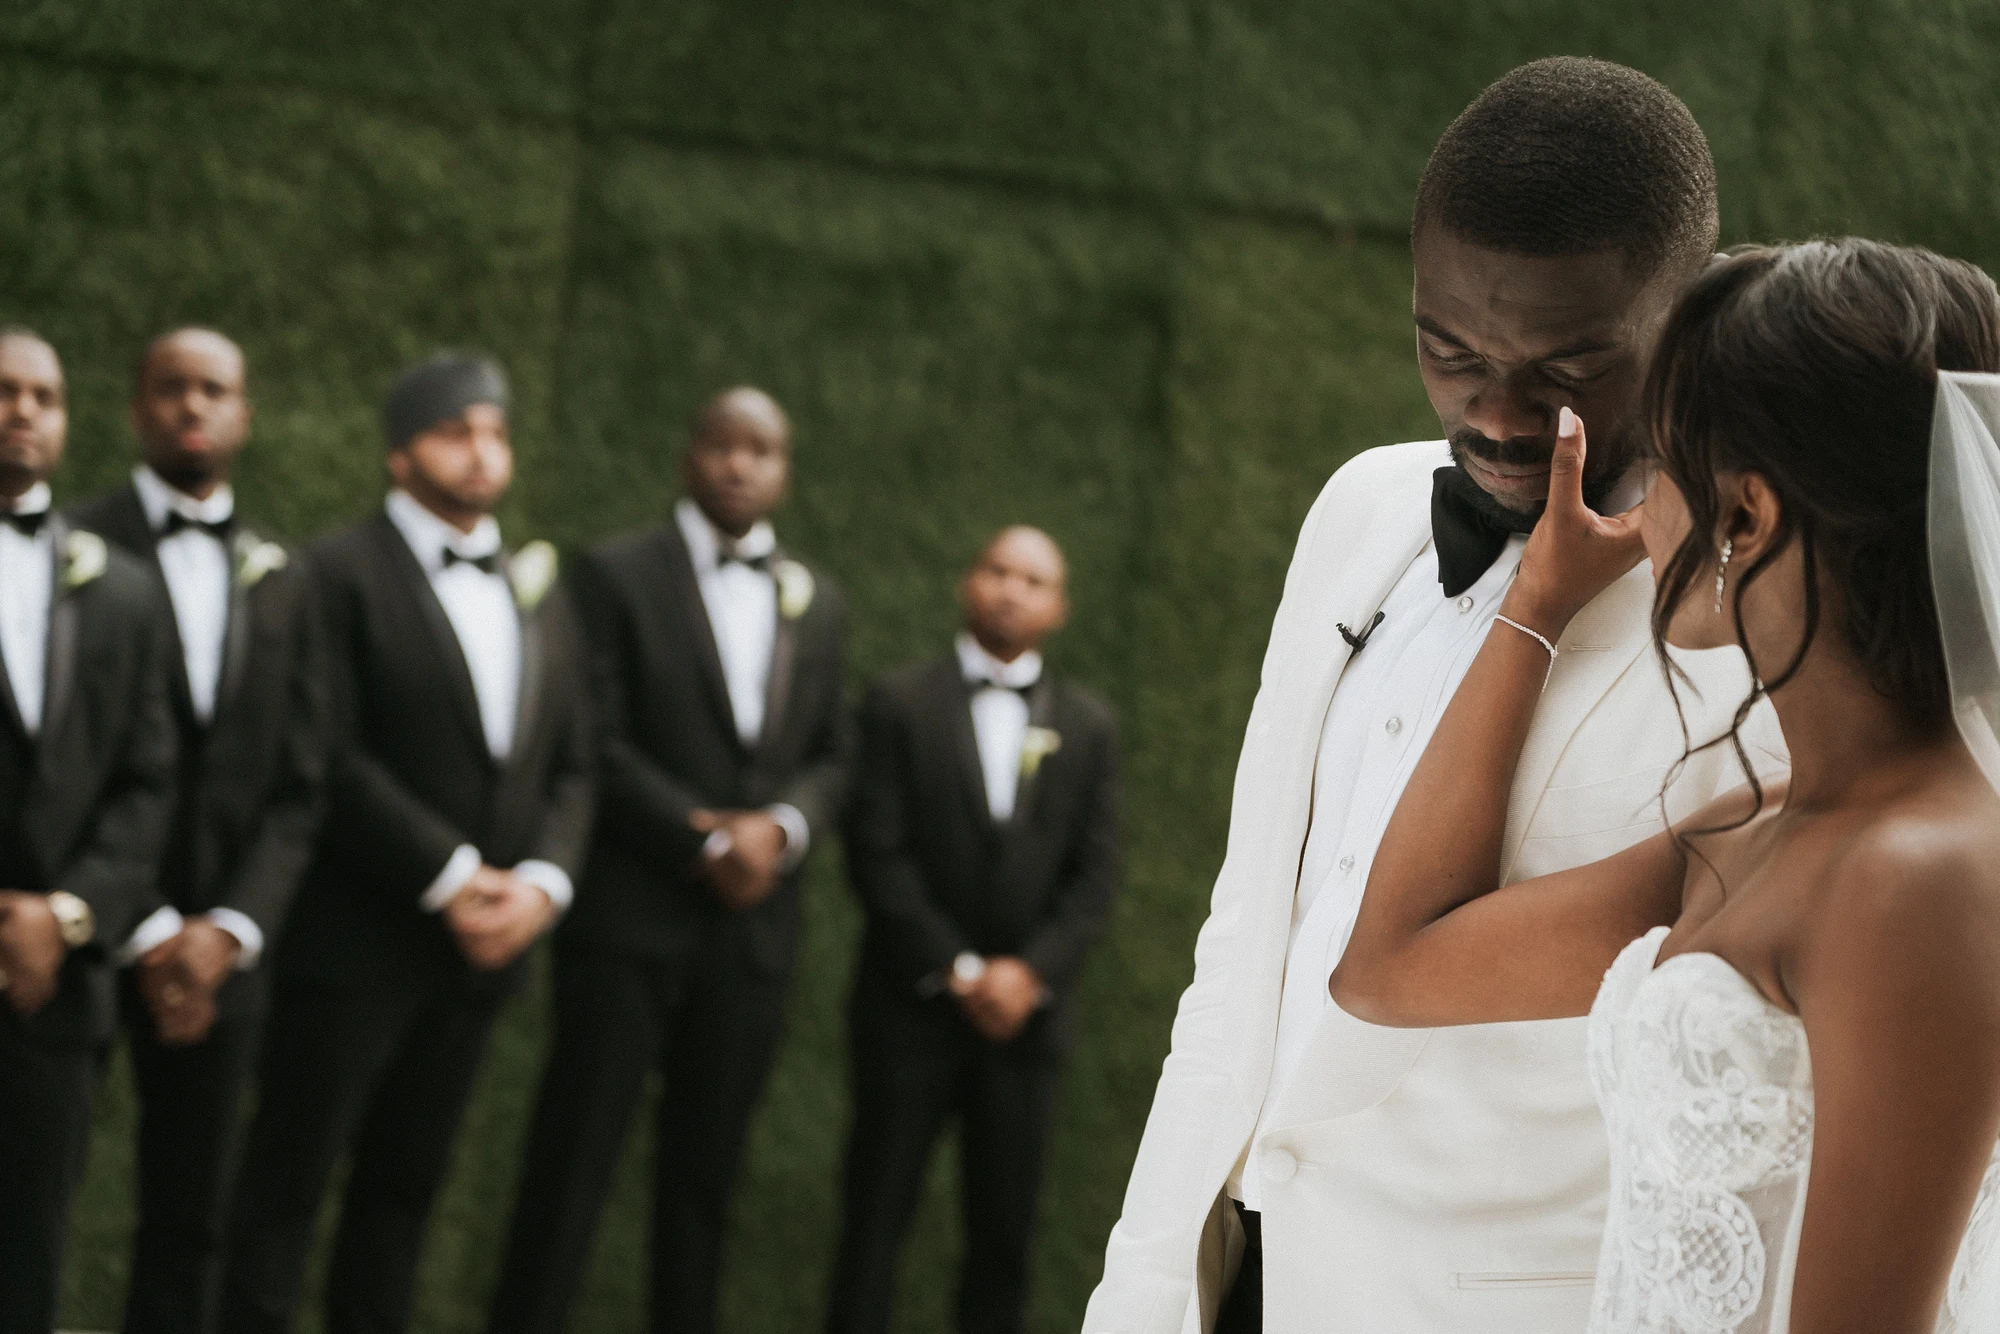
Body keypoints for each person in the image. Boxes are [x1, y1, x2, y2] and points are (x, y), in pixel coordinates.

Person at [1086, 59, 1785, 1332]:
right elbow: (1246, 930)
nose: (1498, 413)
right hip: (1228, 1279)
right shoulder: (1361, 508)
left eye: (1566, 364)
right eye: (1446, 349)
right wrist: (1141, 1283)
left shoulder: (1757, 637)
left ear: (1685, 320)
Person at [1332, 239, 2000, 1331]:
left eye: (1661, 467)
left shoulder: (1917, 873)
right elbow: (1387, 965)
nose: (1635, 510)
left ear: (1744, 517)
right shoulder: (1746, 836)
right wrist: (1532, 608)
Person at [219, 353, 593, 1334]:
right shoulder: (333, 571)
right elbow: (325, 753)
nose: (481, 452)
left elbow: (576, 761)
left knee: (403, 1197)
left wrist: (540, 887)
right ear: (398, 453)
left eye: (495, 433)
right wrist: (457, 876)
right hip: (352, 947)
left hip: (480, 961)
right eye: (455, 431)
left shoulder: (536, 582)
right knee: (284, 1190)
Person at [489, 387, 851, 1334]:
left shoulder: (815, 598)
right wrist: (701, 839)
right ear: (690, 457)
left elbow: (831, 756)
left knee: (705, 1182)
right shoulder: (612, 573)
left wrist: (781, 830)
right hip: (628, 922)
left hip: (753, 939)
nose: (740, 465)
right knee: (572, 1162)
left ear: (785, 469)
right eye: (723, 445)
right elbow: (591, 736)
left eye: (762, 450)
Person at [70, 327, 323, 1334]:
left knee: (192, 1219)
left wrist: (226, 931)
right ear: (136, 409)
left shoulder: (286, 576)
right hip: (88, 935)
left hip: (226, 953)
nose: (191, 405)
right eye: (170, 388)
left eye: (213, 388)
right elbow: (52, 772)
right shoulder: (71, 552)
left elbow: (303, 782)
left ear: (243, 414)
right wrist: (138, 922)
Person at [826, 526, 1123, 1334]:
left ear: (1056, 608)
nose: (1010, 588)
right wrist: (957, 970)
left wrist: (1027, 978)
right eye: (997, 569)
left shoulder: (1089, 727)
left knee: (1003, 1242)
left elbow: (1094, 877)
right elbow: (876, 853)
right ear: (968, 582)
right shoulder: (897, 703)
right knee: (872, 1228)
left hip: (1027, 1030)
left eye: (1032, 579)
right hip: (906, 1015)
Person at [0, 329, 178, 1334]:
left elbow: (147, 785)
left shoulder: (123, 590)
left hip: (58, 989)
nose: (23, 410)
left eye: (45, 395)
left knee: (31, 1254)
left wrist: (61, 916)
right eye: (3, 391)